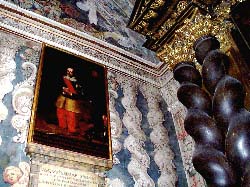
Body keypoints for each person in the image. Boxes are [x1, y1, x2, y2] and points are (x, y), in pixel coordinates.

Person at [55, 67, 83, 134]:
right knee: (60, 112)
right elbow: (57, 85)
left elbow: (79, 92)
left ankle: (71, 129)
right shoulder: (63, 78)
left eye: (71, 71)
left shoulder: (77, 81)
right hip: (62, 98)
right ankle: (62, 127)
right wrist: (63, 88)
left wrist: (70, 93)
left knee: (71, 115)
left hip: (71, 100)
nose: (69, 73)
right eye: (68, 71)